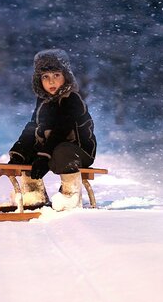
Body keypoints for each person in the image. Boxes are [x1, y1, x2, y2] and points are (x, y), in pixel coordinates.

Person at [8, 49, 97, 211]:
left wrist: (44, 156)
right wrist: (19, 152)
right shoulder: (42, 102)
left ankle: (70, 195)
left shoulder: (72, 99)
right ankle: (34, 193)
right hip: (52, 149)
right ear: (39, 80)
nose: (51, 82)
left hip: (78, 151)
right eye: (45, 77)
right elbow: (33, 127)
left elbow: (62, 130)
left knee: (62, 151)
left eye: (56, 75)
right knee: (28, 153)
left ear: (66, 77)